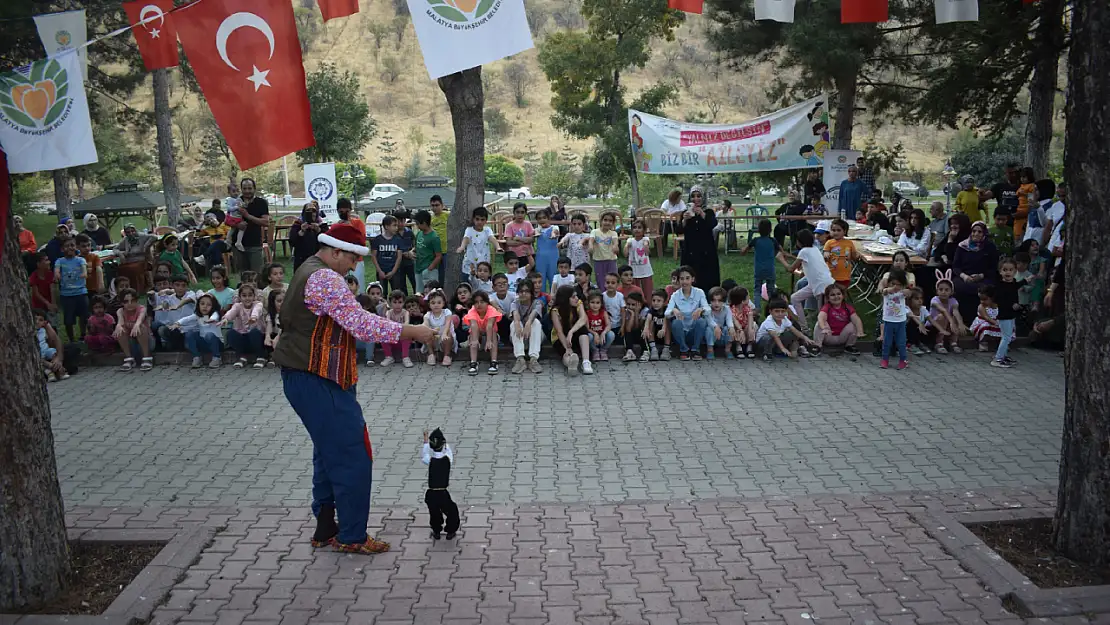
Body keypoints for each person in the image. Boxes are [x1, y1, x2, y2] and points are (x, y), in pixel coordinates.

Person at [274, 221, 432, 554]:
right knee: (352, 454)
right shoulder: (324, 278)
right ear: (334, 251)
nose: (356, 265)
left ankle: (327, 526)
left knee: (328, 453)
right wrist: (412, 332)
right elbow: (361, 324)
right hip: (315, 377)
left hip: (313, 375)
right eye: (352, 258)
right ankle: (352, 535)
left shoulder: (311, 269)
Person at [952, 220, 999, 323]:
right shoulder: (962, 246)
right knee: (960, 287)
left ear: (984, 233)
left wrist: (980, 276)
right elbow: (955, 266)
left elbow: (993, 267)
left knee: (984, 289)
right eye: (974, 231)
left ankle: (981, 320)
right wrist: (964, 276)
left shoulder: (990, 247)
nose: (976, 234)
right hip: (964, 276)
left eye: (979, 232)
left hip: (983, 277)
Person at [788, 229, 834, 333]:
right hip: (815, 284)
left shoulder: (803, 251)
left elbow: (791, 269)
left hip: (822, 286)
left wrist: (781, 258)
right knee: (794, 298)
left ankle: (824, 338)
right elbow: (803, 264)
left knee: (822, 316)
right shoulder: (815, 249)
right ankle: (804, 328)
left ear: (799, 242)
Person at [665, 265, 711, 361]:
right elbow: (667, 313)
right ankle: (683, 350)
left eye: (687, 278)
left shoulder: (699, 292)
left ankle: (695, 350)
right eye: (682, 279)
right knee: (676, 323)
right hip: (681, 333)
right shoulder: (675, 295)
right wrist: (674, 310)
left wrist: (701, 309)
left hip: (694, 332)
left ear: (692, 279)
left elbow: (708, 309)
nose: (684, 282)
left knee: (702, 321)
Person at [422, 428, 460, 541]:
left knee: (434, 513)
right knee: (452, 511)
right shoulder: (447, 459)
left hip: (431, 493)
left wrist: (425, 441)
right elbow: (448, 450)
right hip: (443, 493)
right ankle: (450, 531)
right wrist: (444, 443)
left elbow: (424, 454)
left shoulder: (429, 460)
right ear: (443, 445)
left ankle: (436, 531)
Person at [742, 218, 788, 312]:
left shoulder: (755, 240)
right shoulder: (773, 240)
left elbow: (744, 251)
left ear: (758, 230)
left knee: (757, 290)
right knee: (771, 290)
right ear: (770, 230)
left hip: (759, 270)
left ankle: (757, 309)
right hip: (770, 269)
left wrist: (743, 250)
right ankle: (772, 308)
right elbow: (781, 250)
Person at [680, 189, 720, 290]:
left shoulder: (708, 211)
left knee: (707, 278)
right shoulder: (686, 212)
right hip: (690, 250)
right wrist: (684, 220)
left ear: (703, 198)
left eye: (699, 196)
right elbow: (679, 230)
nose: (696, 199)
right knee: (690, 275)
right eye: (693, 196)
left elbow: (712, 224)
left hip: (706, 250)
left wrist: (702, 214)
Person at [173, 293, 224, 368]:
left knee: (209, 335)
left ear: (213, 306)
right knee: (190, 334)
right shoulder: (197, 315)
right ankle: (197, 357)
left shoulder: (215, 314)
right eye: (202, 304)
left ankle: (217, 357)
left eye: (208, 305)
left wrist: (210, 320)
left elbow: (214, 317)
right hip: (204, 343)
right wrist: (177, 323)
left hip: (217, 344)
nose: (205, 307)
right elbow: (187, 319)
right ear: (198, 305)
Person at [231, 178, 270, 273]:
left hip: (254, 244)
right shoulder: (236, 202)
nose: (247, 191)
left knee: (256, 274)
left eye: (249, 188)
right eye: (244, 188)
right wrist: (237, 225)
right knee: (241, 274)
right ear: (241, 189)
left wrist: (248, 216)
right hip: (237, 244)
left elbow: (266, 222)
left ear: (254, 189)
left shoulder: (261, 202)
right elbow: (227, 220)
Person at [990, 257, 1024, 368]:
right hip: (1004, 315)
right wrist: (1012, 305)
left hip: (1011, 315)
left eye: (1010, 270)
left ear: (1015, 271)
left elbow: (1016, 286)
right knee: (1006, 337)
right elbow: (998, 300)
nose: (1007, 272)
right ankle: (998, 358)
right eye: (1005, 270)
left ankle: (1003, 355)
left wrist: (1026, 280)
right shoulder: (1000, 286)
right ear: (1000, 271)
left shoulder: (1013, 283)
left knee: (1008, 336)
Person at [551, 285, 592, 375]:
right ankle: (571, 364)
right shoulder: (555, 310)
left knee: (583, 330)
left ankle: (586, 362)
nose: (576, 298)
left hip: (573, 334)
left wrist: (571, 331)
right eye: (573, 297)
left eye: (576, 295)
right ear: (565, 299)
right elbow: (559, 332)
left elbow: (583, 319)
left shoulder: (578, 303)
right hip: (560, 338)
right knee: (566, 353)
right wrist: (567, 348)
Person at [223, 283, 266, 369]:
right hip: (243, 338)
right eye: (244, 295)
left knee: (254, 332)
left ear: (254, 296)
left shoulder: (258, 304)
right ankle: (242, 357)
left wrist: (254, 318)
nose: (247, 298)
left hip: (257, 339)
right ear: (240, 297)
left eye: (250, 295)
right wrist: (226, 319)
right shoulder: (237, 306)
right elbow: (231, 312)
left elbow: (256, 311)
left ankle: (261, 357)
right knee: (230, 333)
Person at [55, 237, 89, 343]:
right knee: (68, 319)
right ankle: (71, 339)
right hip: (67, 295)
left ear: (76, 247)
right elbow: (56, 270)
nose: (70, 248)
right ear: (62, 249)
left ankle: (83, 335)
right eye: (67, 246)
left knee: (84, 316)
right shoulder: (59, 261)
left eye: (72, 245)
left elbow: (84, 268)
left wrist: (84, 273)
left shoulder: (80, 260)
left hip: (81, 292)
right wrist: (57, 274)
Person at [814, 283, 863, 354]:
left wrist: (860, 331)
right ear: (828, 298)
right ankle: (817, 346)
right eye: (832, 295)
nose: (836, 297)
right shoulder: (827, 307)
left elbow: (856, 318)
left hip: (842, 337)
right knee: (819, 323)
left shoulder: (847, 307)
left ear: (843, 295)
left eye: (838, 294)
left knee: (854, 324)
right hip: (828, 335)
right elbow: (821, 317)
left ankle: (849, 346)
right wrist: (824, 327)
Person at [113, 287, 153, 372]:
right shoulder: (120, 311)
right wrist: (118, 326)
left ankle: (147, 358)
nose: (130, 304)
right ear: (122, 302)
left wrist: (137, 325)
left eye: (133, 300)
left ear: (137, 300)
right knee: (120, 329)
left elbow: (140, 318)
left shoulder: (142, 308)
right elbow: (120, 321)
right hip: (131, 343)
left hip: (147, 342)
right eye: (126, 301)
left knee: (140, 327)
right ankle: (129, 358)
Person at [510, 280, 544, 373]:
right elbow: (515, 316)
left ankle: (533, 359)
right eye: (521, 291)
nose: (523, 294)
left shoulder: (537, 303)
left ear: (531, 293)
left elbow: (533, 316)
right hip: (519, 337)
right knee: (514, 324)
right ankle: (520, 359)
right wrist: (517, 323)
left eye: (527, 291)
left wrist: (528, 323)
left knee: (535, 322)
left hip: (534, 337)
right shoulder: (515, 303)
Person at [457, 206, 499, 282]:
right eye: (477, 219)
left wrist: (498, 247)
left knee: (484, 287)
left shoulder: (487, 230)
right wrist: (462, 247)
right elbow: (466, 239)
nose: (479, 222)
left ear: (486, 220)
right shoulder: (469, 230)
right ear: (473, 219)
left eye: (482, 220)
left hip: (484, 265)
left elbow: (492, 238)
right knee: (468, 286)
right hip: (470, 264)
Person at [463, 290, 501, 375]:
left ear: (487, 303)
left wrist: (488, 341)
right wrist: (475, 340)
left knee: (493, 334)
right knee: (473, 335)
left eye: (482, 302)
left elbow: (490, 326)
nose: (479, 304)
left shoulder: (491, 310)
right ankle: (473, 363)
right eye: (476, 302)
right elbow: (473, 325)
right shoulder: (472, 311)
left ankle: (494, 362)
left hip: (490, 333)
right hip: (477, 334)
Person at [879, 269, 909, 370]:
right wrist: (888, 289)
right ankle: (885, 359)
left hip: (900, 321)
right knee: (887, 341)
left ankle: (903, 360)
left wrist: (905, 290)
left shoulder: (903, 292)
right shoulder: (887, 291)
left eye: (899, 284)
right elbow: (883, 291)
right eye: (893, 284)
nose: (896, 287)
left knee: (901, 342)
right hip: (888, 320)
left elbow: (909, 292)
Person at [115, 224, 158, 293]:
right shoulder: (126, 239)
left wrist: (146, 246)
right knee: (120, 268)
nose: (131, 233)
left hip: (141, 259)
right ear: (126, 233)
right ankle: (124, 288)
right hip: (128, 261)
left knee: (133, 269)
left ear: (135, 230)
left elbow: (155, 237)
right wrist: (120, 254)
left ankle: (138, 289)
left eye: (132, 231)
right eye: (128, 232)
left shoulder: (141, 236)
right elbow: (115, 249)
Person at [409, 210, 443, 293]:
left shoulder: (434, 237)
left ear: (424, 223)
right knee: (419, 293)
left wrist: (430, 268)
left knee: (431, 293)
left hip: (429, 270)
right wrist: (411, 252)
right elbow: (416, 247)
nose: (417, 226)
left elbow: (438, 256)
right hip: (418, 268)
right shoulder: (419, 234)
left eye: (418, 224)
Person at [290, 202, 329, 272]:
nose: (312, 213)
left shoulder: (322, 225)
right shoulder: (298, 224)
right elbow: (292, 242)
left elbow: (328, 242)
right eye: (308, 211)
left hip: (319, 258)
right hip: (302, 259)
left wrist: (318, 230)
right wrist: (301, 231)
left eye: (313, 211)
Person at [371, 215, 404, 296]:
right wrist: (379, 271)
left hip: (394, 271)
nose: (396, 227)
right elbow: (373, 256)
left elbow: (399, 257)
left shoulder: (398, 239)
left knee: (396, 293)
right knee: (382, 293)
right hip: (381, 270)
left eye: (397, 225)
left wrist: (393, 271)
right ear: (386, 226)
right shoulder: (377, 240)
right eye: (394, 225)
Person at [379, 291, 414, 368]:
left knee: (407, 335)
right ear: (390, 303)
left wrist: (396, 327)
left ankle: (405, 357)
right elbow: (388, 324)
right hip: (392, 339)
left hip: (402, 339)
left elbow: (406, 324)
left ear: (404, 303)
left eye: (400, 302)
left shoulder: (405, 313)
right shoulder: (389, 312)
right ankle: (389, 357)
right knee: (382, 336)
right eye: (395, 302)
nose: (397, 305)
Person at [34, 309, 70, 381]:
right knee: (39, 359)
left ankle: (59, 370)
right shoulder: (31, 331)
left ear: (44, 322)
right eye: (35, 319)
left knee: (53, 352)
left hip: (46, 350)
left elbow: (55, 340)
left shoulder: (43, 329)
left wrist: (58, 359)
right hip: (38, 353)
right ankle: (50, 371)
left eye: (40, 320)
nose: (37, 322)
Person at [422, 288, 455, 367]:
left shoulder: (447, 312)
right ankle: (431, 354)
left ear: (443, 303)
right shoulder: (427, 315)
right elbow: (425, 325)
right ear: (429, 305)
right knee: (427, 334)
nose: (436, 305)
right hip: (434, 338)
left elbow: (447, 324)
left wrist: (444, 334)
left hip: (446, 338)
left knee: (448, 334)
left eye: (439, 302)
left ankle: (447, 355)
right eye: (433, 303)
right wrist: (431, 332)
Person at [586, 211, 621, 282]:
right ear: (601, 221)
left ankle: (612, 293)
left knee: (612, 279)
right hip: (598, 260)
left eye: (610, 221)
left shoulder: (613, 233)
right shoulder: (595, 231)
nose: (607, 222)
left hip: (611, 260)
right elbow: (591, 240)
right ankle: (602, 293)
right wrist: (590, 246)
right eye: (605, 220)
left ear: (613, 223)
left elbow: (615, 241)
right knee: (600, 280)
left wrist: (615, 246)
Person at [823, 219, 858, 288]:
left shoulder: (849, 243)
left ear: (844, 231)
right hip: (831, 274)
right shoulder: (829, 242)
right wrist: (826, 254)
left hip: (845, 275)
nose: (836, 232)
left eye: (838, 230)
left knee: (842, 293)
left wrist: (856, 255)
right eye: (833, 230)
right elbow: (825, 253)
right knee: (830, 293)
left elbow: (854, 256)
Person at [623, 220, 654, 295]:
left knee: (647, 292)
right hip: (634, 271)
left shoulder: (645, 239)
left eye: (639, 227)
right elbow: (625, 254)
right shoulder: (630, 240)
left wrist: (646, 245)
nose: (637, 229)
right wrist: (627, 246)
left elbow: (647, 253)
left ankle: (648, 305)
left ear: (644, 230)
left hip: (645, 271)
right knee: (635, 292)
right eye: (634, 227)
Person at [985, 163, 1021, 228]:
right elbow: (985, 196)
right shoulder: (999, 186)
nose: (1014, 175)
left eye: (1015, 172)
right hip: (1003, 224)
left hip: (1020, 223)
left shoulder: (1024, 187)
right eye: (1010, 173)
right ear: (1006, 173)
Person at [727, 286, 758, 358]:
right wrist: (741, 331)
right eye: (748, 297)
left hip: (745, 328)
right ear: (742, 301)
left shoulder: (747, 308)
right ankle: (738, 346)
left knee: (754, 325)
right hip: (738, 328)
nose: (749, 298)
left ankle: (750, 346)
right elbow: (735, 322)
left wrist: (750, 329)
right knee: (735, 329)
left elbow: (750, 318)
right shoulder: (731, 310)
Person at [534, 209, 561, 292]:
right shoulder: (537, 229)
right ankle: (541, 298)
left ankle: (554, 298)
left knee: (553, 278)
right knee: (540, 278)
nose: (542, 220)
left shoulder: (554, 227)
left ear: (549, 218)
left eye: (544, 217)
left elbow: (555, 232)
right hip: (540, 258)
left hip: (553, 257)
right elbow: (535, 233)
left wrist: (553, 234)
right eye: (539, 218)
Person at [704, 286, 733, 359]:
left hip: (722, 334)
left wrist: (731, 327)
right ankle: (710, 350)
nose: (716, 303)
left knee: (728, 329)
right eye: (714, 300)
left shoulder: (726, 309)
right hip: (712, 335)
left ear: (723, 301)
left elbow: (729, 320)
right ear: (710, 301)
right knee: (708, 329)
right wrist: (716, 327)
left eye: (719, 301)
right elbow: (710, 321)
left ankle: (728, 350)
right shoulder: (707, 309)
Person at [503, 202, 536, 266]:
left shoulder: (528, 224)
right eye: (517, 212)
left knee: (530, 274)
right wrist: (525, 241)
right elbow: (509, 242)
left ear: (525, 213)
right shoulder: (510, 225)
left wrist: (518, 238)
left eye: (522, 212)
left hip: (529, 254)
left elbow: (532, 239)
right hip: (515, 256)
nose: (520, 215)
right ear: (514, 213)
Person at [584, 290, 613, 363]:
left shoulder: (603, 312)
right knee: (588, 336)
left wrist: (603, 333)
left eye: (597, 303)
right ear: (588, 303)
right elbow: (587, 328)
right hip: (593, 337)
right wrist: (595, 333)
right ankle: (595, 351)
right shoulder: (587, 313)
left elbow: (608, 325)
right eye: (592, 302)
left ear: (601, 304)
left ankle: (603, 350)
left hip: (602, 337)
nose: (595, 305)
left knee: (611, 334)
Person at [1023, 179, 1054, 245]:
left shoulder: (1050, 206)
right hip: (1028, 238)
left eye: (1036, 190)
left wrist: (1039, 209)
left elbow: (1045, 224)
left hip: (1039, 240)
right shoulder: (1035, 204)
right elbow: (1029, 224)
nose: (1034, 192)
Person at [621, 291, 650, 362]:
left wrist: (636, 313)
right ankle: (629, 352)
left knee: (640, 331)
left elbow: (638, 326)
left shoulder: (645, 311)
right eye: (628, 304)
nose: (630, 307)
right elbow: (628, 329)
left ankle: (646, 351)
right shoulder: (627, 311)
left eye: (633, 304)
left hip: (641, 334)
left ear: (640, 304)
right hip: (631, 334)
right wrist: (632, 315)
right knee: (626, 332)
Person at [645, 288, 672, 361]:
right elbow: (648, 318)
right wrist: (646, 328)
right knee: (651, 322)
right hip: (655, 336)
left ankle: (666, 349)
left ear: (665, 302)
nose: (655, 303)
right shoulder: (651, 310)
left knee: (668, 323)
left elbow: (666, 319)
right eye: (653, 300)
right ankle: (653, 349)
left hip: (665, 335)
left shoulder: (667, 310)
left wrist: (663, 329)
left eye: (659, 301)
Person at [429, 195, 450, 284]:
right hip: (435, 252)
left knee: (447, 274)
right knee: (437, 275)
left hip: (447, 250)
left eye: (437, 205)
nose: (435, 208)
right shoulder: (430, 218)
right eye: (433, 205)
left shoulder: (448, 215)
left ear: (442, 205)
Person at [905, 287, 930, 355]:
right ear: (910, 300)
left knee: (927, 327)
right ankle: (910, 345)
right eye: (916, 299)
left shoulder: (923, 309)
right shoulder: (906, 308)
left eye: (921, 298)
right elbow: (912, 316)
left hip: (918, 331)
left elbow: (931, 320)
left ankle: (919, 343)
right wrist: (920, 324)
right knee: (913, 322)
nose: (920, 301)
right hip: (906, 333)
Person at [1014, 167, 1037, 241]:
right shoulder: (1021, 186)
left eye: (1024, 177)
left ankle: (1020, 237)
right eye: (1021, 177)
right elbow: (1017, 194)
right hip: (1019, 207)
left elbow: (1032, 198)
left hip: (1026, 208)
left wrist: (1024, 194)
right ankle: (1016, 236)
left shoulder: (1032, 186)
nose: (1022, 179)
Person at [264, 290, 285, 366]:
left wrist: (277, 338)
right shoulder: (271, 315)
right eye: (279, 301)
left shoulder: (288, 314)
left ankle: (276, 357)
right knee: (267, 338)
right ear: (273, 303)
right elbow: (269, 327)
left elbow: (283, 328)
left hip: (284, 335)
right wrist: (267, 337)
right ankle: (270, 356)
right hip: (275, 335)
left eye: (284, 300)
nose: (282, 303)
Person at [450, 283, 473, 348]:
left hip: (474, 331)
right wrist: (457, 311)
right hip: (462, 333)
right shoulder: (457, 308)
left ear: (470, 294)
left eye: (465, 292)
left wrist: (467, 309)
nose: (462, 294)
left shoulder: (476, 306)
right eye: (459, 293)